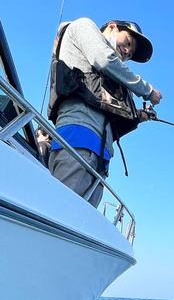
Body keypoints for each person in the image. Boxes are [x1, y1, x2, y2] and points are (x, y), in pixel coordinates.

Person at [47, 18, 162, 207]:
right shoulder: (84, 25)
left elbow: (104, 112)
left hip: (100, 159)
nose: (126, 52)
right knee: (61, 214)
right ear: (112, 27)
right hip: (79, 140)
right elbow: (103, 59)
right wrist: (148, 91)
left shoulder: (106, 74)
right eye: (128, 43)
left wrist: (137, 117)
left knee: (79, 226)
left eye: (130, 54)